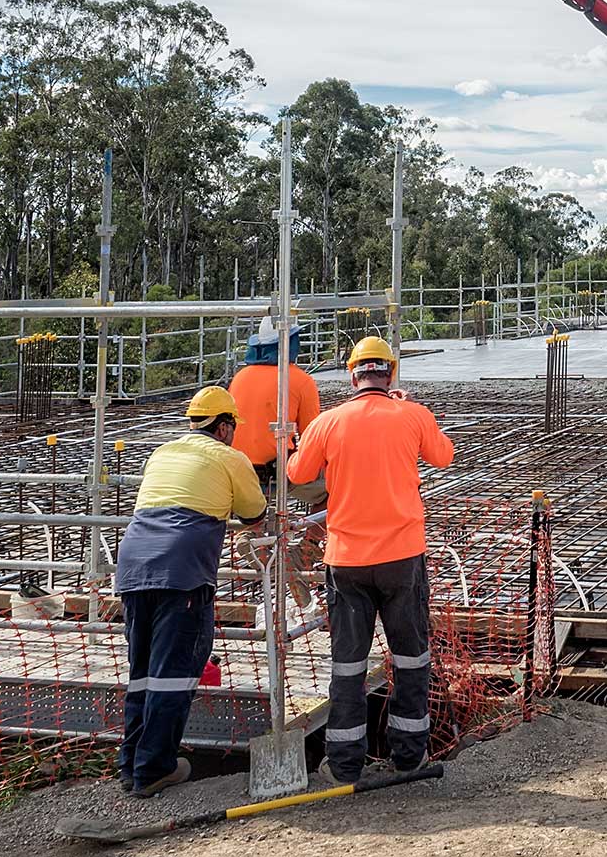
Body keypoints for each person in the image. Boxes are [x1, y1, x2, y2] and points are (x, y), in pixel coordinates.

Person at [288, 335, 454, 781]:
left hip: (347, 561)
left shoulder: (329, 421)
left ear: (352, 375)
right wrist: (414, 411)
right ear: (391, 374)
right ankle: (409, 756)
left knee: (348, 663)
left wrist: (295, 444)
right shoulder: (412, 414)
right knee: (411, 658)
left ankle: (344, 765)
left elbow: (298, 474)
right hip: (402, 557)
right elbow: (444, 456)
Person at [115, 387, 268, 797]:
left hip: (133, 564)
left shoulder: (163, 452)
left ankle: (131, 764)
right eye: (233, 426)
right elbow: (255, 513)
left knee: (143, 672)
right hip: (180, 570)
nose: (234, 434)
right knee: (174, 674)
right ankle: (153, 769)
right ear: (222, 426)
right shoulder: (229, 457)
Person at [227, 316, 322, 489]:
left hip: (234, 471)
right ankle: (315, 517)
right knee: (332, 483)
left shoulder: (239, 377)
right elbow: (312, 439)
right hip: (274, 474)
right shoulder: (301, 381)